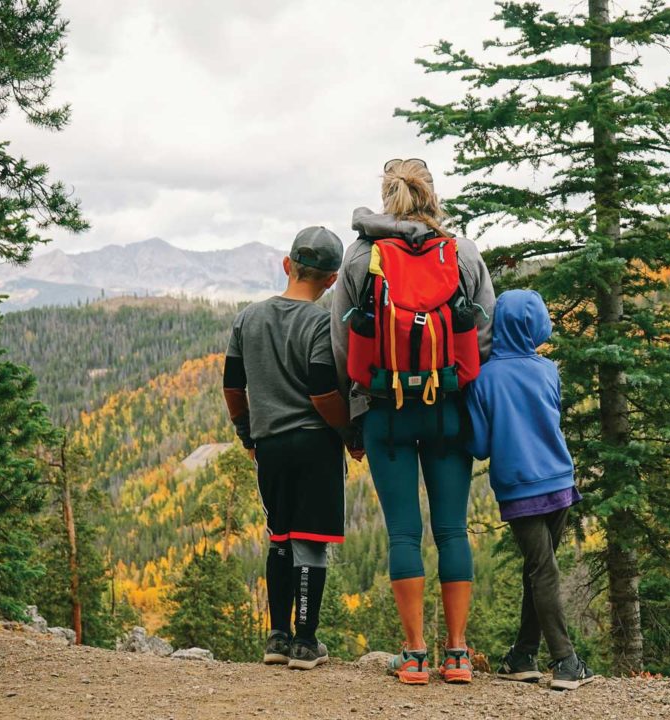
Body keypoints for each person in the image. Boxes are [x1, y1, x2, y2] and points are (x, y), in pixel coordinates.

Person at [331, 158, 495, 685]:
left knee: (403, 530)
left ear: (387, 198)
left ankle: (415, 654)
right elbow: (484, 335)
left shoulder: (361, 256)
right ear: (431, 196)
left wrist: (353, 422)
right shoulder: (463, 253)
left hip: (385, 410)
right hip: (448, 409)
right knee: (451, 529)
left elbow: (341, 346)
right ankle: (460, 654)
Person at [222, 226, 352, 671]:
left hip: (270, 445)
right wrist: (350, 436)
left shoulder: (248, 318)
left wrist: (247, 434)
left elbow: (233, 387)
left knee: (279, 538)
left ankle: (276, 637)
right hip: (315, 444)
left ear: (287, 264)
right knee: (310, 543)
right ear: (332, 279)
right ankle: (305, 641)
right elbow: (322, 393)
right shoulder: (321, 322)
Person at [465, 289, 595, 691]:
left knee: (540, 570)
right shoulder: (548, 370)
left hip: (520, 490)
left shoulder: (483, 378)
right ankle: (530, 655)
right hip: (560, 482)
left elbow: (480, 446)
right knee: (542, 569)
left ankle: (558, 660)